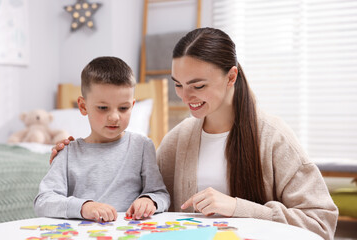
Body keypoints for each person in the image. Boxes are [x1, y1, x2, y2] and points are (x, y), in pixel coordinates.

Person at [50, 28, 338, 239]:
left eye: (198, 86)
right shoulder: (179, 139)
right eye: (178, 84)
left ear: (231, 77)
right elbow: (138, 195)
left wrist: (238, 207)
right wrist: (78, 158)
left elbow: (321, 222)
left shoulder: (274, 138)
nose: (186, 97)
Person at [35, 56, 170, 222]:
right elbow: (43, 201)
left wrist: (150, 201)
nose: (114, 117)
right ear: (83, 106)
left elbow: (160, 194)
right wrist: (84, 207)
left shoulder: (142, 147)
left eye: (123, 108)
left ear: (132, 106)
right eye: (103, 108)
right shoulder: (68, 152)